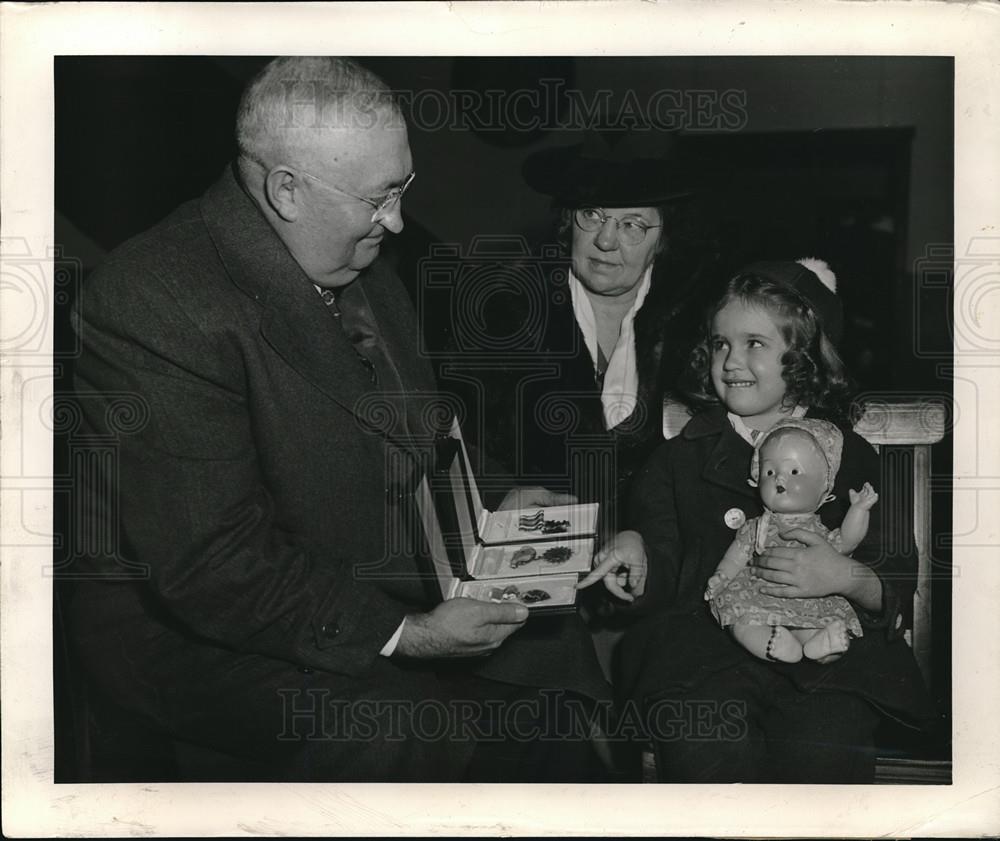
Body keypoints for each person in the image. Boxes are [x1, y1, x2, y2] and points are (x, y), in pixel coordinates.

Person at [66, 56, 608, 783]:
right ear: (287, 190)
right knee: (411, 725)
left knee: (554, 666)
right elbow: (214, 567)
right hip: (189, 629)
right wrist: (406, 633)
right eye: (380, 197)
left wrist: (497, 499)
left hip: (340, 559)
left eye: (402, 187)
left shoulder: (353, 254)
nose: (398, 219)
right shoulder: (150, 303)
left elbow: (417, 424)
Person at [579, 259, 934, 783]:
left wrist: (846, 577)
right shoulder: (680, 459)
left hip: (828, 659)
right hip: (705, 656)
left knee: (824, 750)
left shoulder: (848, 455)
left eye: (755, 344)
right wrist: (637, 555)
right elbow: (662, 562)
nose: (731, 360)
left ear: (804, 358)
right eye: (721, 344)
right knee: (704, 743)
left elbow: (896, 567)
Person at [448, 128, 710, 534]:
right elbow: (454, 439)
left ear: (663, 239)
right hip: (532, 545)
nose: (605, 240)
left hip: (659, 562)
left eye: (632, 225)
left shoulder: (698, 323)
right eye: (592, 215)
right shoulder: (505, 311)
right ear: (569, 219)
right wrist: (500, 491)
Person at [704, 417, 878, 663]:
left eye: (794, 471)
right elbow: (736, 556)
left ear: (824, 487)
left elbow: (847, 541)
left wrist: (859, 510)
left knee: (822, 625)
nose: (779, 479)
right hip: (759, 593)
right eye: (770, 471)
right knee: (741, 622)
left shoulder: (819, 532)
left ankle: (819, 645)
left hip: (810, 599)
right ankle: (773, 645)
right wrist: (721, 576)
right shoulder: (757, 527)